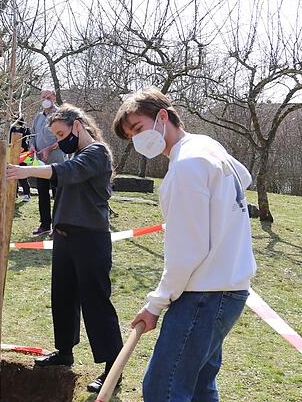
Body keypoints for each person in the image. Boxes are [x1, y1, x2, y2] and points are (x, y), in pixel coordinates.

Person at [113, 88, 256, 401]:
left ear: (162, 116)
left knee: (163, 389)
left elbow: (187, 252)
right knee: (200, 388)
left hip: (203, 295)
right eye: (131, 136)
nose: (137, 140)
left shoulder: (185, 166)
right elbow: (243, 177)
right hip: (229, 290)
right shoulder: (207, 146)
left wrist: (155, 304)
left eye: (138, 128)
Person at [7, 104, 123, 393]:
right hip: (64, 237)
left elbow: (67, 172)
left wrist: (25, 171)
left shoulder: (97, 152)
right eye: (55, 136)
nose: (59, 141)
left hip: (90, 238)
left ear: (78, 126)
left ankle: (112, 367)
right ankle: (64, 351)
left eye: (61, 134)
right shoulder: (75, 154)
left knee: (95, 302)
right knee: (63, 295)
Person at [30, 89, 64, 235]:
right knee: (42, 193)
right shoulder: (38, 117)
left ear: (54, 98)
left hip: (56, 162)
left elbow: (62, 138)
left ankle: (58, 227)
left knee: (58, 195)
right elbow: (32, 135)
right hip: (40, 164)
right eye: (43, 97)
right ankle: (45, 225)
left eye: (48, 97)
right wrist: (32, 147)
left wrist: (48, 150)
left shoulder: (61, 116)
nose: (45, 99)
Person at [10, 116, 32, 202]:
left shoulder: (25, 129)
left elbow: (26, 143)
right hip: (12, 154)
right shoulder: (11, 129)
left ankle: (27, 194)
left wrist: (19, 150)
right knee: (12, 173)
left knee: (22, 175)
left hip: (23, 155)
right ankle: (14, 193)